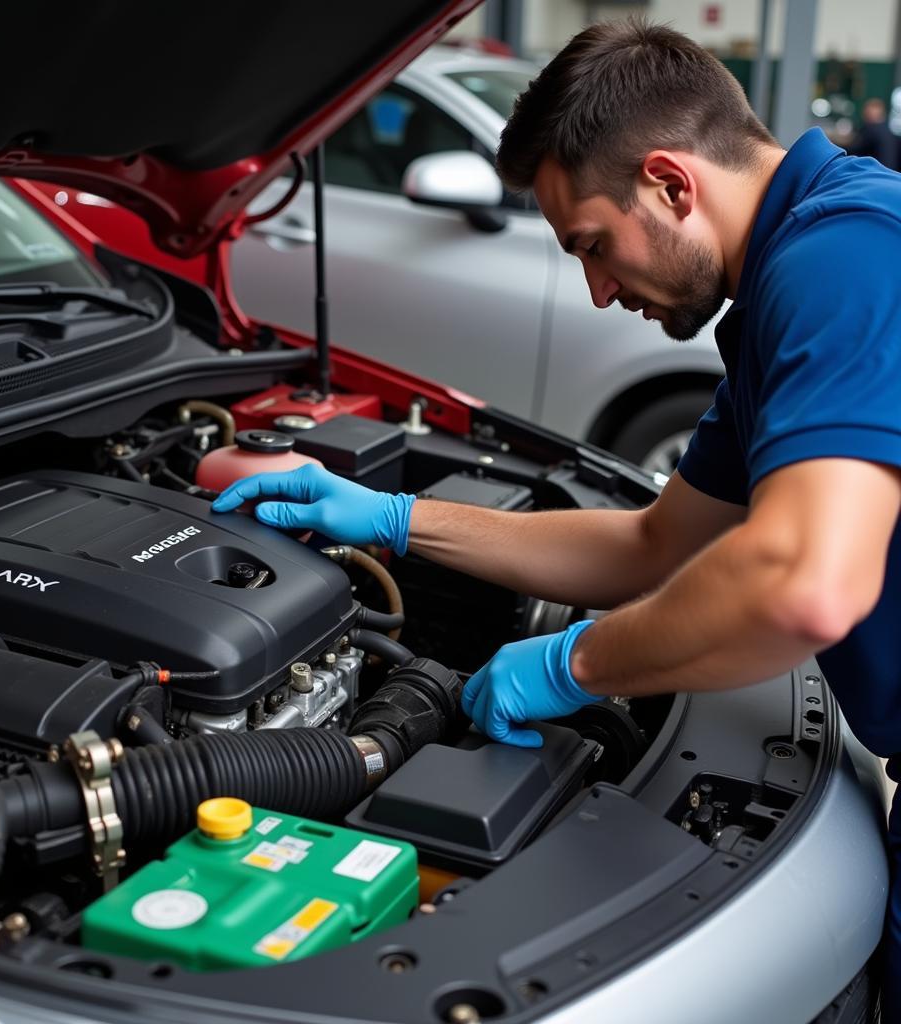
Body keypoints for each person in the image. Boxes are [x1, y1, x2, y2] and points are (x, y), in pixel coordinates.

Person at [214, 18, 901, 1016]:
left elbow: (804, 583)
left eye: (591, 244)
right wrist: (393, 517)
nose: (595, 287)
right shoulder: (796, 278)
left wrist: (573, 666)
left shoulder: (841, 258)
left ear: (670, 184)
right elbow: (648, 544)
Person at [848, 97, 900, 171]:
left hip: (876, 173)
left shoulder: (873, 130)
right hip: (891, 174)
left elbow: (854, 151)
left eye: (868, 112)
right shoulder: (888, 131)